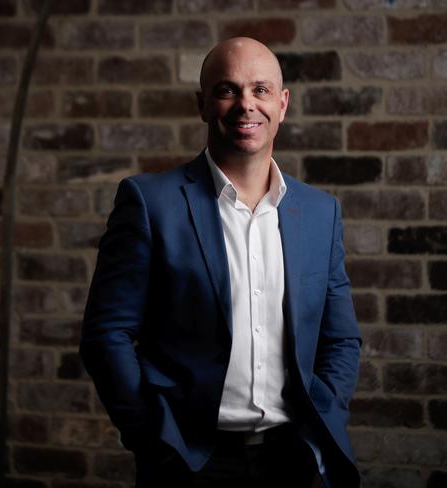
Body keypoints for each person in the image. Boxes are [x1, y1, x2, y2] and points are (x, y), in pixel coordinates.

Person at [80, 37, 362, 488]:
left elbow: (341, 337)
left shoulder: (319, 212)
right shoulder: (150, 203)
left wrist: (326, 412)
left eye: (261, 90)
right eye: (227, 90)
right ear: (203, 104)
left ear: (283, 103)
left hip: (291, 458)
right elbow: (106, 333)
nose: (245, 105)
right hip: (188, 462)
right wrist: (151, 436)